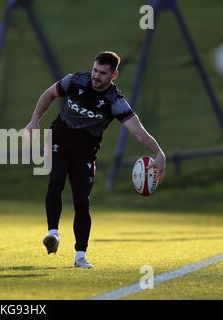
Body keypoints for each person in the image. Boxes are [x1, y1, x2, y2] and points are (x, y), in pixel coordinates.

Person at [25, 51, 166, 268]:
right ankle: (53, 233)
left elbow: (138, 130)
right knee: (56, 179)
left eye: (102, 73)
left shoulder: (114, 102)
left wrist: (159, 153)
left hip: (86, 152)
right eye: (95, 70)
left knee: (82, 201)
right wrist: (34, 121)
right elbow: (49, 94)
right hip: (59, 139)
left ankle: (80, 256)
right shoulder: (74, 81)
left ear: (114, 75)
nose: (96, 76)